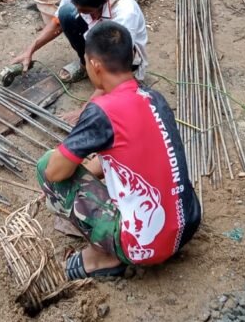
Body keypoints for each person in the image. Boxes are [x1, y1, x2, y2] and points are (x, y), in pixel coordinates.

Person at [37, 21, 201, 279]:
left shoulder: (103, 111)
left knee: (45, 166)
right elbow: (123, 158)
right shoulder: (154, 97)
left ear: (95, 65)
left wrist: (70, 178)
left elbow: (55, 172)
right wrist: (87, 174)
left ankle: (105, 258)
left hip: (146, 247)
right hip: (188, 225)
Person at [14, 0, 148, 84]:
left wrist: (87, 107)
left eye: (87, 11)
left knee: (114, 86)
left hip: (124, 57)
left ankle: (110, 78)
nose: (81, 13)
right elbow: (56, 24)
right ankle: (86, 66)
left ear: (103, 2)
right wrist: (30, 50)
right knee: (67, 13)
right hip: (101, 41)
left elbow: (120, 60)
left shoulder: (125, 13)